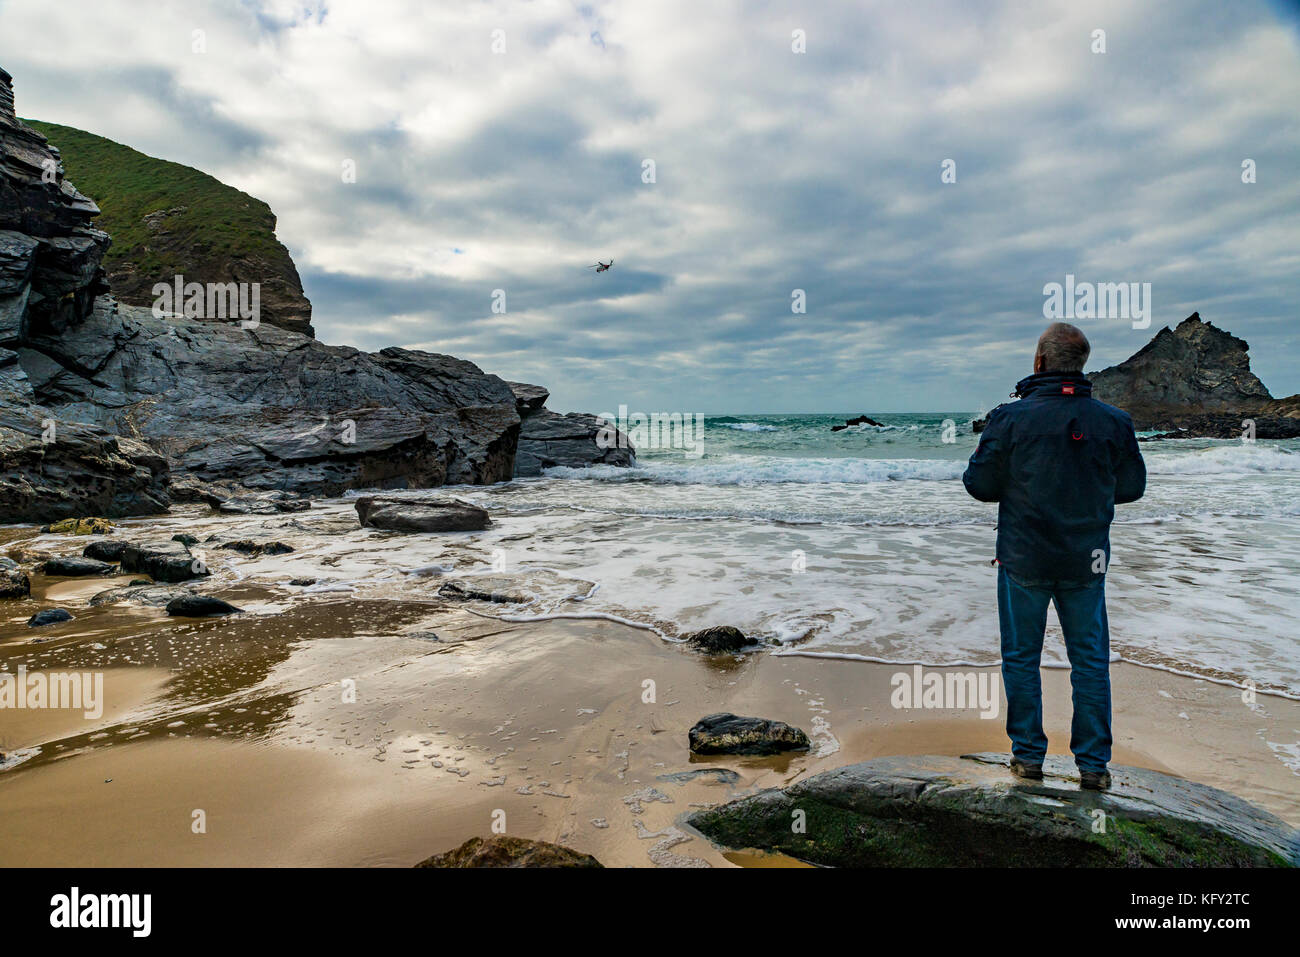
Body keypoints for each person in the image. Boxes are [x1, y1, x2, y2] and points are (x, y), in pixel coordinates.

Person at [962, 322, 1146, 790]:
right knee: (1090, 661)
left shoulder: (1009, 418)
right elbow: (1131, 488)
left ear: (1040, 361)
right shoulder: (1114, 420)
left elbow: (979, 485)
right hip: (1087, 559)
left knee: (1021, 658)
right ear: (1080, 365)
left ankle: (1028, 759)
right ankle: (1093, 767)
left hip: (1024, 557)